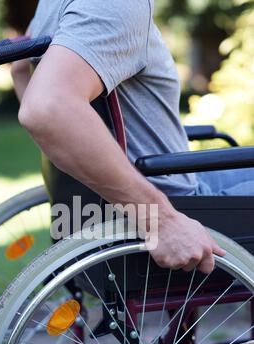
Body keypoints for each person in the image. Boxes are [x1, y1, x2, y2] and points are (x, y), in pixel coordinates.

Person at [11, 0, 228, 274]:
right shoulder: (115, 4)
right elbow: (47, 108)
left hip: (95, 210)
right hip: (175, 202)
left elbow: (20, 67)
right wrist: (161, 221)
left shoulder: (50, 5)